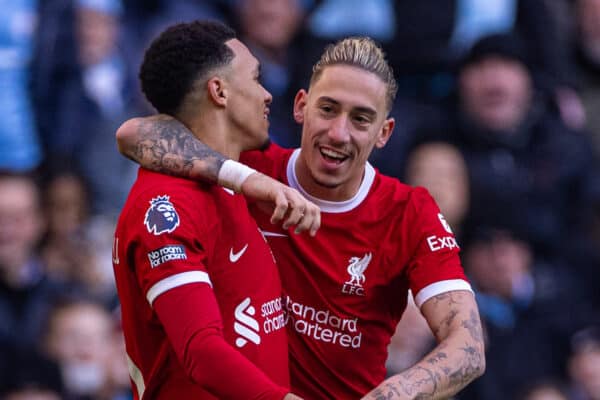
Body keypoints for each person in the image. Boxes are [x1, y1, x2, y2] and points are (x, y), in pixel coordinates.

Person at [116, 36, 485, 399]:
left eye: (360, 119)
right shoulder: (247, 168)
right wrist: (250, 181)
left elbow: (468, 348)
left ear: (383, 133)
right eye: (327, 109)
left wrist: (392, 394)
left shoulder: (408, 213)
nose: (339, 133)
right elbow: (134, 133)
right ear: (300, 106)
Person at [112, 20, 319, 399]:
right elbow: (201, 352)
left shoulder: (234, 183)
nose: (267, 94)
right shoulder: (165, 206)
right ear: (219, 91)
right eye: (256, 79)